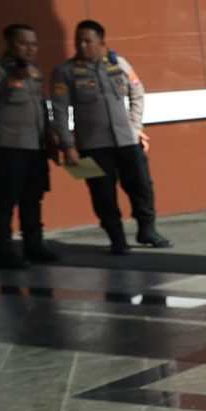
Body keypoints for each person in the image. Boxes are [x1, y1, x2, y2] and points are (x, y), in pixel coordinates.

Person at [52, 20, 172, 253]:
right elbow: (58, 111)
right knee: (102, 195)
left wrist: (136, 127)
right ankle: (117, 239)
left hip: (127, 140)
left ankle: (147, 230)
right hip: (90, 145)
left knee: (142, 186)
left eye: (88, 41)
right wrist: (68, 146)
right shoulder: (64, 71)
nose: (82, 45)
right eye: (78, 41)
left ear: (102, 43)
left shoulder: (119, 64)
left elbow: (138, 91)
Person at [0, 22, 69, 269]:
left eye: (33, 44)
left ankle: (34, 245)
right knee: (5, 200)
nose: (30, 49)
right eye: (23, 43)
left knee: (33, 198)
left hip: (35, 146)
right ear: (9, 44)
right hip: (7, 147)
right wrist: (11, 80)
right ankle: (4, 252)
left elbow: (41, 106)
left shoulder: (35, 71)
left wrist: (50, 133)